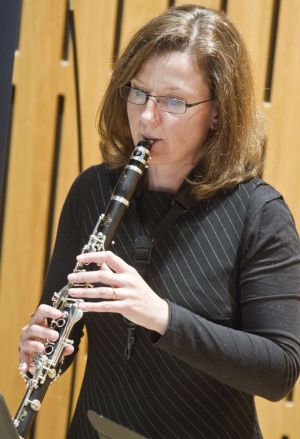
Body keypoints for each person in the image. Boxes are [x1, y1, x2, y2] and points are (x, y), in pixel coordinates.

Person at [19, 4, 300, 439]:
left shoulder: (258, 215)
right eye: (139, 92)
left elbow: (279, 371)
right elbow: (64, 334)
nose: (147, 117)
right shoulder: (92, 192)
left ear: (218, 113)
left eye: (174, 101)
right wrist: (41, 345)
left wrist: (163, 317)